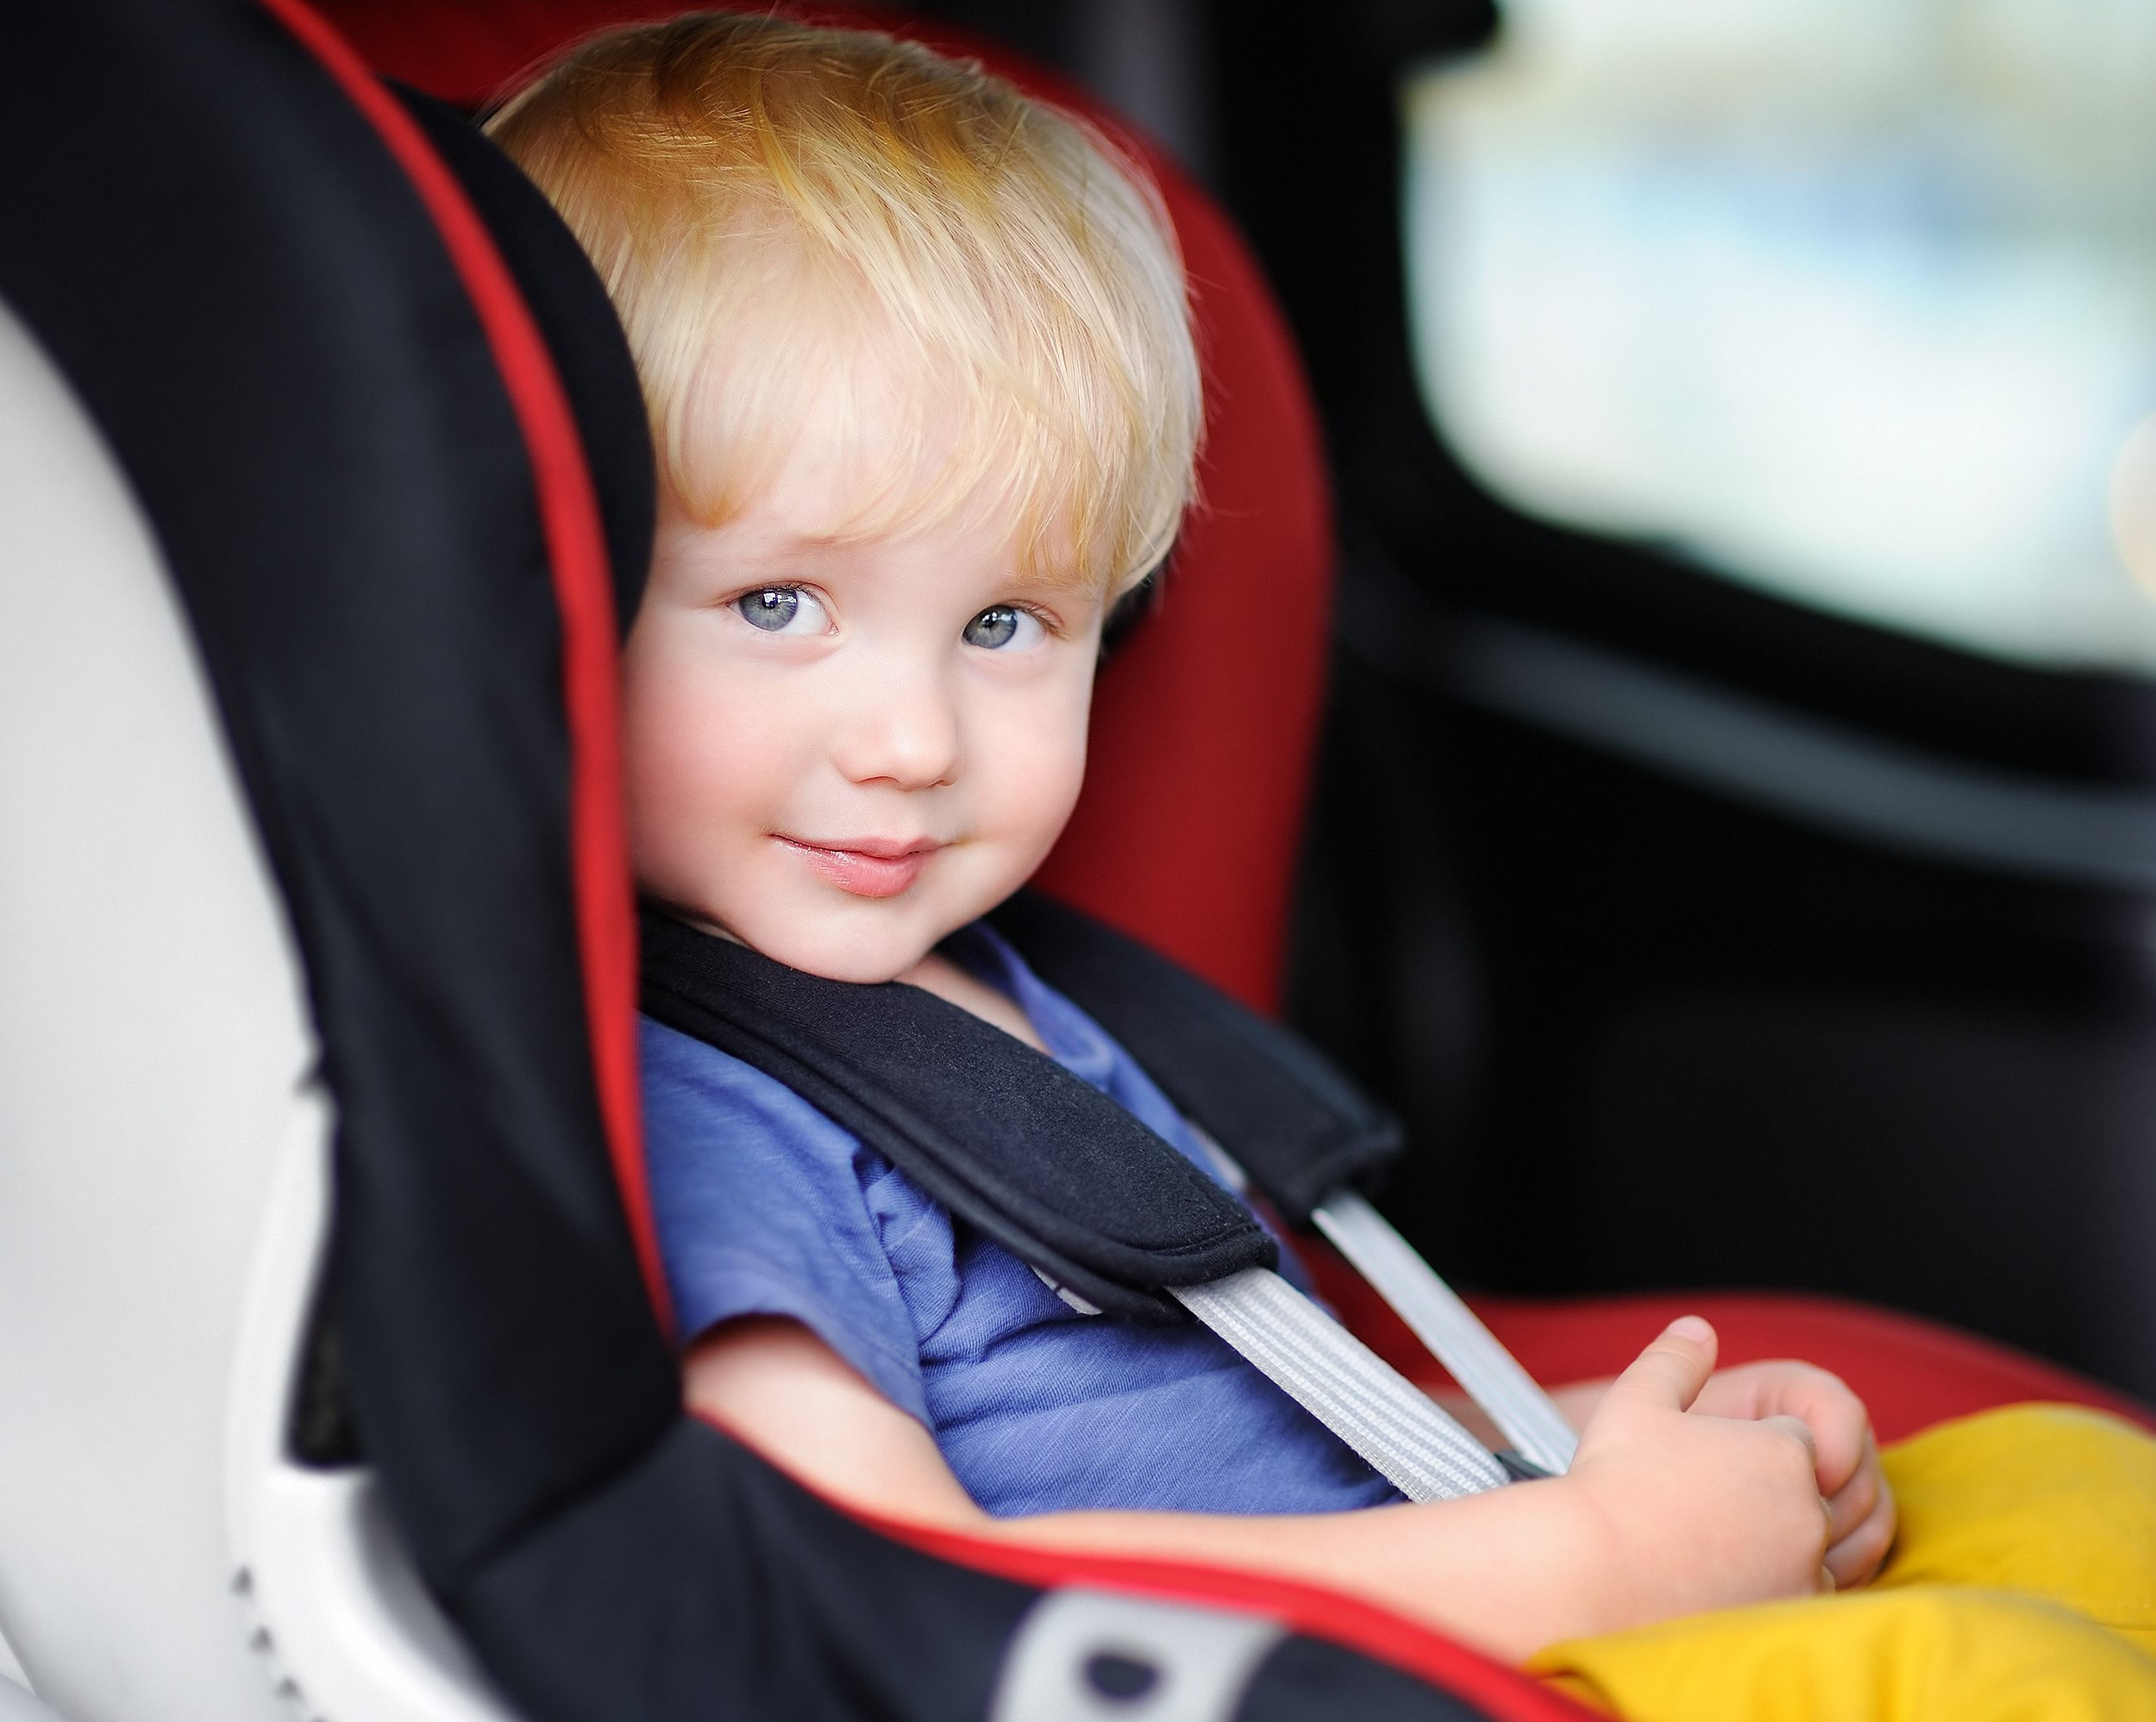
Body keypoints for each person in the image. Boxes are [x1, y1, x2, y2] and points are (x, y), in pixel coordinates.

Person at [487, 15, 2156, 1713]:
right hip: (1230, 1682)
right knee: (1996, 1676)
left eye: (1004, 624)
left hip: (1409, 1585)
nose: (912, 738)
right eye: (779, 605)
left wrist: (1584, 1456)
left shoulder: (998, 995)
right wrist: (1590, 1564)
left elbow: (1242, 1437)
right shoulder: (704, 1111)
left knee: (2078, 1489)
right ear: (550, 591)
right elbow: (868, 1583)